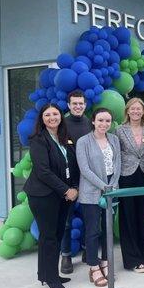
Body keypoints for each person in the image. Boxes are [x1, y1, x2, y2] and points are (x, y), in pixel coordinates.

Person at [23, 104, 79, 288]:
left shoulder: (65, 138)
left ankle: (46, 274)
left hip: (62, 195)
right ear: (42, 118)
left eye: (55, 114)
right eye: (47, 115)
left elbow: (72, 165)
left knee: (55, 235)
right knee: (49, 237)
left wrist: (74, 188)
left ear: (61, 117)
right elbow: (43, 171)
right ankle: (52, 279)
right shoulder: (38, 140)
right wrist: (66, 190)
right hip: (43, 195)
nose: (52, 117)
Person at [76, 108, 121, 287]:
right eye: (100, 120)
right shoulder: (83, 141)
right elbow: (84, 169)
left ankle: (105, 262)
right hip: (92, 191)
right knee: (93, 230)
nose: (104, 124)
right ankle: (94, 267)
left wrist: (113, 185)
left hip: (112, 188)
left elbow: (118, 164)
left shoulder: (114, 139)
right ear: (93, 121)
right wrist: (104, 186)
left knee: (107, 228)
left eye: (108, 121)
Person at [115, 98, 144, 273]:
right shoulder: (119, 130)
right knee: (127, 217)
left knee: (141, 216)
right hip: (126, 176)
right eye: (133, 109)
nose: (136, 112)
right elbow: (116, 155)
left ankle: (143, 255)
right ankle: (132, 259)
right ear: (127, 111)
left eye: (139, 109)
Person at [60, 90, 92, 274]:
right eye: (74, 103)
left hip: (88, 180)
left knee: (90, 218)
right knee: (66, 221)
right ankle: (66, 256)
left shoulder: (91, 124)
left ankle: (88, 251)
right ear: (68, 105)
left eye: (81, 103)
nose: (78, 106)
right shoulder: (62, 124)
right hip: (67, 181)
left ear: (85, 105)